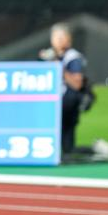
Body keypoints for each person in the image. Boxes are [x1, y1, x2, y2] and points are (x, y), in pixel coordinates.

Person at [40, 23, 91, 155]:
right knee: (49, 147)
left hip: (67, 105)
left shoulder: (73, 57)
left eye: (62, 37)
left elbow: (77, 84)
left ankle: (96, 150)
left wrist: (59, 67)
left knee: (67, 150)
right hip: (50, 104)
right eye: (56, 37)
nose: (58, 40)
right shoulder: (48, 56)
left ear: (69, 39)